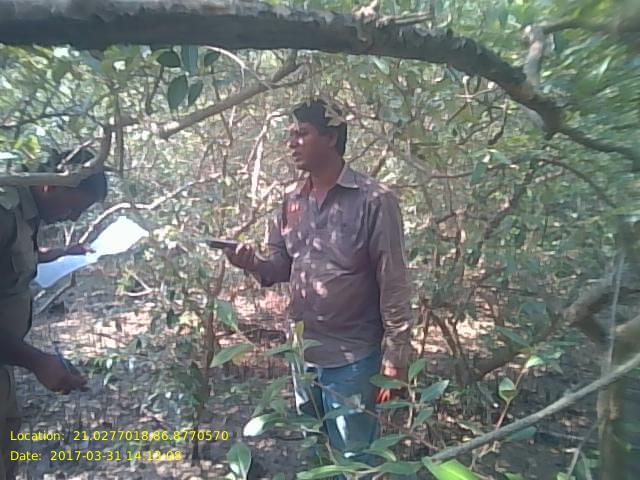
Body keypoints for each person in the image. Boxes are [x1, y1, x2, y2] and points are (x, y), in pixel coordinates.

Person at [225, 99, 413, 472]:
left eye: (302, 134)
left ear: (330, 137)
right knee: (315, 449)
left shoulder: (374, 200)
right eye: (290, 135)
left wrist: (396, 357)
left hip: (353, 358)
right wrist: (250, 262)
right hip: (303, 352)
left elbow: (394, 281)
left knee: (354, 460)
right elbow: (281, 266)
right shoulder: (290, 202)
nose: (291, 143)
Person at [0, 148, 108, 480]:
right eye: (74, 208)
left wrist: (64, 252)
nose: (73, 219)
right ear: (52, 185)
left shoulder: (25, 212)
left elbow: (20, 255)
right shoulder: (4, 211)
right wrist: (36, 361)